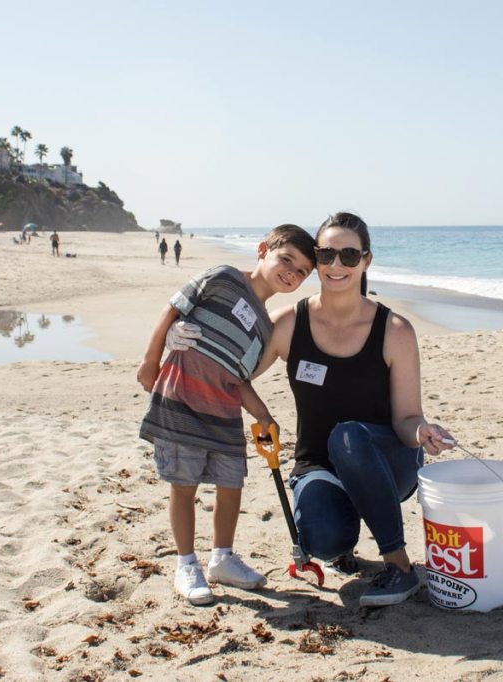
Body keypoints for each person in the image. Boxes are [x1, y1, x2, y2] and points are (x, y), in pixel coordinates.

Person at [167, 212, 454, 607]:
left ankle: (400, 568)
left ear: (366, 261)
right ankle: (341, 543)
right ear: (316, 259)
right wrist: (177, 334)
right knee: (322, 537)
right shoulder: (287, 324)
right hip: (317, 465)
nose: (337, 265)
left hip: (389, 464)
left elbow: (407, 420)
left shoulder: (395, 330)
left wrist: (423, 432)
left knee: (349, 435)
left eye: (349, 256)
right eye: (327, 254)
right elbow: (232, 371)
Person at [137, 224, 316, 605]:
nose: (292, 272)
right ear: (263, 249)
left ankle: (222, 557)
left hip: (223, 414)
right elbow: (172, 308)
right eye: (287, 259)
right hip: (181, 401)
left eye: (302, 271)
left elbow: (238, 379)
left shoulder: (266, 328)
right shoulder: (222, 277)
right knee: (183, 488)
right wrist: (151, 358)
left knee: (231, 486)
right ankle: (187, 564)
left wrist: (263, 413)